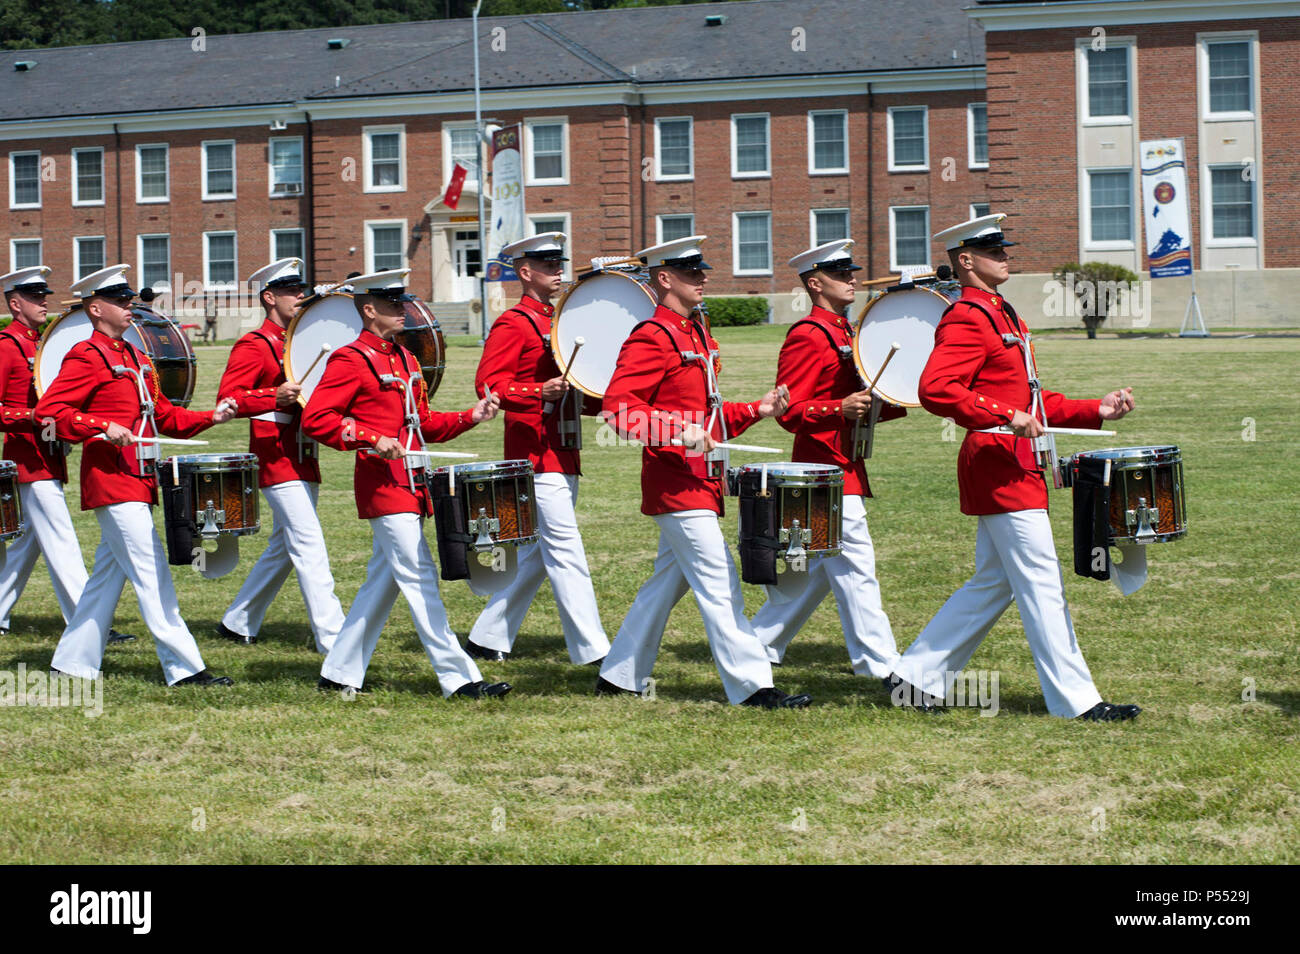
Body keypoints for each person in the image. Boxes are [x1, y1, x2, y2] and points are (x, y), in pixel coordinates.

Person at [888, 214, 1139, 721]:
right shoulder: (967, 316)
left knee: (995, 582)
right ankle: (1077, 702)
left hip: (1015, 462)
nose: (1005, 256)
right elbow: (936, 388)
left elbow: (1030, 399)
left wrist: (1097, 409)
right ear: (965, 260)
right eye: (993, 250)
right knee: (1042, 583)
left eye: (1004, 249)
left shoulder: (1003, 314)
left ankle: (915, 677)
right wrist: (1006, 415)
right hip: (997, 463)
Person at [595, 236, 810, 709]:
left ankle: (619, 674)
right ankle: (753, 687)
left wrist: (759, 407)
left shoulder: (695, 334)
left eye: (702, 271)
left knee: (664, 585)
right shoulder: (652, 335)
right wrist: (675, 431)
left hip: (702, 481)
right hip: (676, 483)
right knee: (720, 583)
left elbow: (707, 417)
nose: (703, 278)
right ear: (665, 279)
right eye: (691, 272)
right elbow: (618, 412)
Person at [302, 268, 508, 700]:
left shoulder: (405, 360)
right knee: (419, 577)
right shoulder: (350, 359)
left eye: (403, 302)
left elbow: (424, 425)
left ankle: (338, 673)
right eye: (394, 304)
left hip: (412, 485)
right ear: (370, 309)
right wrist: (371, 438)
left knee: (383, 581)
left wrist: (472, 416)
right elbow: (316, 419)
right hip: (383, 486)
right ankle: (460, 678)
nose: (404, 310)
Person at [35, 264, 237, 686]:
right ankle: (185, 669)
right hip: (112, 481)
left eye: (130, 300)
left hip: (139, 479)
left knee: (107, 578)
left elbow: (162, 416)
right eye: (120, 301)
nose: (130, 307)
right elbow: (49, 414)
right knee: (151, 573)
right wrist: (101, 427)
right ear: (95, 309)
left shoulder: (134, 356)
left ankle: (72, 661)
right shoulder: (85, 356)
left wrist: (211, 417)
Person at [749, 240, 904, 679]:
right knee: (856, 566)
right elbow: (790, 413)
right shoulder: (808, 335)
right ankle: (878, 663)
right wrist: (839, 408)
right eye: (840, 274)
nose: (852, 278)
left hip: (844, 465)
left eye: (851, 271)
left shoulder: (846, 332)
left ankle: (757, 642)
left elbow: (873, 397)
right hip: (822, 469)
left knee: (817, 569)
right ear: (815, 284)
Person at [466, 232, 609, 665]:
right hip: (533, 452)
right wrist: (536, 391)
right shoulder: (514, 323)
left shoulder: (560, 322)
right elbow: (488, 385)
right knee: (566, 552)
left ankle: (487, 637)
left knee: (536, 555)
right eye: (548, 266)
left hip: (563, 448)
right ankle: (595, 651)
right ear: (525, 273)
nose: (558, 271)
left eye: (559, 264)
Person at [213, 258, 346, 652]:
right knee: (308, 543)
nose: (300, 296)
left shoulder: (300, 342)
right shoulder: (255, 344)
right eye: (291, 291)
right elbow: (228, 399)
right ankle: (335, 639)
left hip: (305, 453)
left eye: (301, 289)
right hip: (274, 455)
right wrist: (272, 396)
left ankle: (239, 620)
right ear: (269, 297)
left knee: (285, 546)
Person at [0, 266, 135, 644]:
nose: (44, 301)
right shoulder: (6, 347)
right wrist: (34, 418)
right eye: (34, 296)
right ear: (15, 304)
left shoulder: (41, 345)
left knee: (30, 543)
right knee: (60, 539)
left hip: (51, 454)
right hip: (27, 456)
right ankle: (90, 623)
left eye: (43, 294)